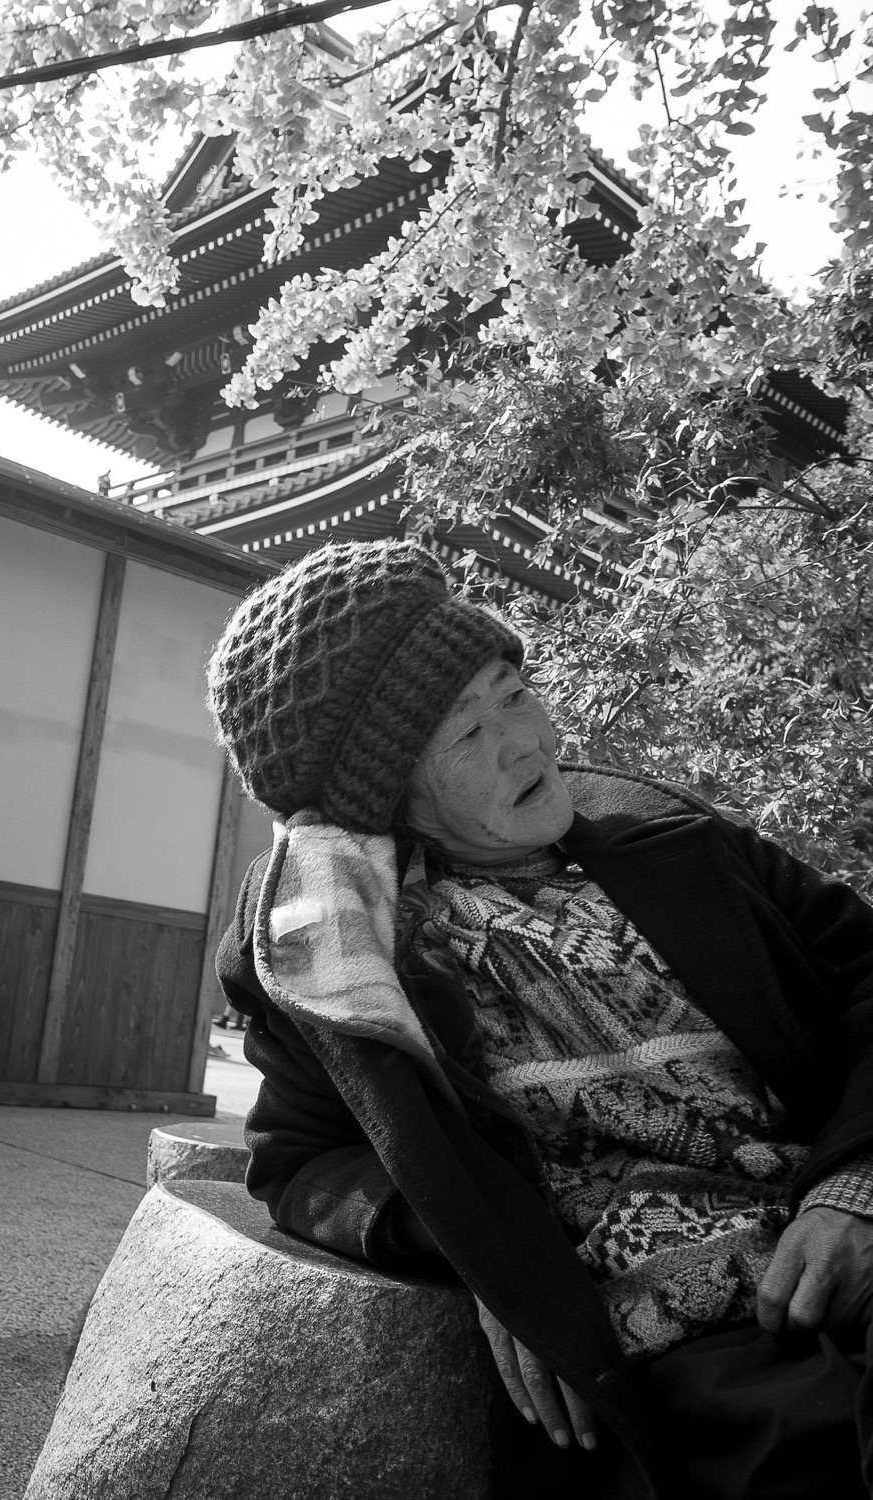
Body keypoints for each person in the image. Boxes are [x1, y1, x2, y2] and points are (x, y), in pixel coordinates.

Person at [207, 538, 873, 1500]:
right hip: (700, 1345)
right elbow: (298, 1161)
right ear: (386, 793)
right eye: (466, 735)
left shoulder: (669, 834)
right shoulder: (343, 954)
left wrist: (856, 1179)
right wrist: (488, 1250)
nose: (526, 741)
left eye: (514, 694)